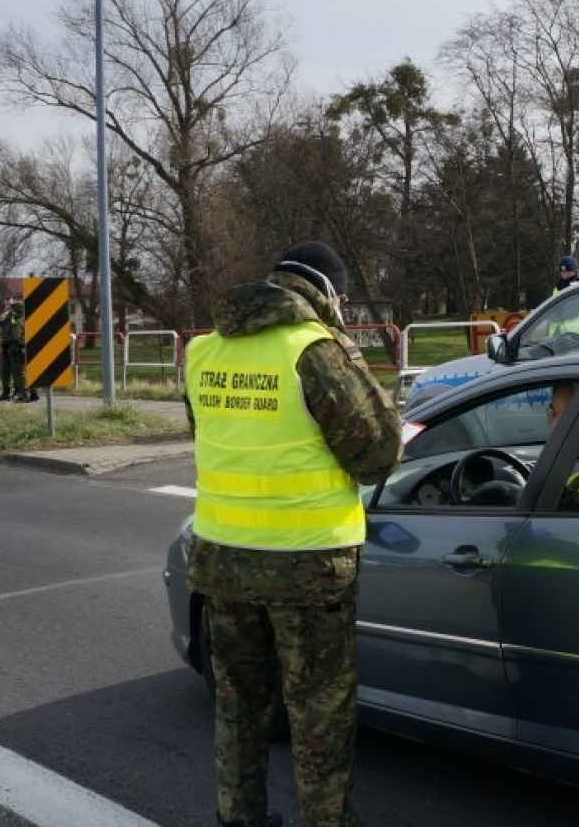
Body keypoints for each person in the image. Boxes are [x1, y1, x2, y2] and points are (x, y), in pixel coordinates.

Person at [184, 241, 401, 827]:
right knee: (319, 715)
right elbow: (379, 454)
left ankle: (239, 817)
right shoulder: (315, 351)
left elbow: (211, 431)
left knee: (238, 708)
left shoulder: (202, 352)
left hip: (221, 562)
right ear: (327, 292)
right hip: (307, 568)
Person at [0, 299, 35, 402]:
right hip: (6, 347)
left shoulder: (21, 318)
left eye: (12, 306)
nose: (10, 308)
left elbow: (18, 335)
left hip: (16, 347)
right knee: (4, 371)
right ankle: (6, 393)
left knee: (18, 372)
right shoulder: (8, 315)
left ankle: (25, 393)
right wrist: (0, 320)